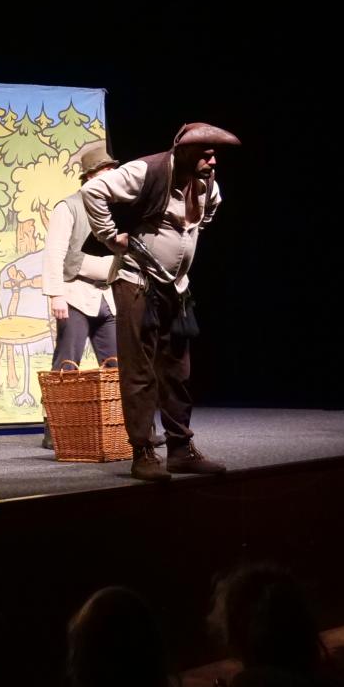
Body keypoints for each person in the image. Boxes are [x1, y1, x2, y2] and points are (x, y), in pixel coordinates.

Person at [82, 121, 239, 481]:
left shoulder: (207, 184)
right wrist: (110, 237)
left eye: (214, 154)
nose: (213, 161)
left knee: (177, 372)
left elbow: (207, 214)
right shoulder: (147, 170)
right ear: (184, 151)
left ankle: (181, 450)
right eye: (205, 154)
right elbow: (93, 191)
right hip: (137, 281)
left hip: (177, 288)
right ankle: (143, 452)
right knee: (139, 372)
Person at [37, 139, 122, 448]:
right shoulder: (69, 206)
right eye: (104, 171)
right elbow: (54, 252)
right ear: (89, 176)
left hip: (106, 296)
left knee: (116, 364)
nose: (111, 175)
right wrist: (55, 295)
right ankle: (56, 429)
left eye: (112, 170)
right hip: (74, 294)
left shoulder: (115, 208)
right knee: (67, 364)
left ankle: (123, 426)